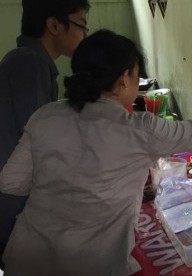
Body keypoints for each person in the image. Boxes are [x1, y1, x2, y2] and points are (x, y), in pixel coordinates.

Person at [0, 30, 192, 274]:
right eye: (138, 75)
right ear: (124, 78)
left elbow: (10, 182)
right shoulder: (138, 128)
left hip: (25, 259)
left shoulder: (45, 115)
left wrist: (60, 187)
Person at [0, 0, 90, 269]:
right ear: (53, 25)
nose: (84, 34)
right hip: (11, 201)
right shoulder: (29, 63)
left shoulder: (33, 61)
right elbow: (39, 144)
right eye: (81, 25)